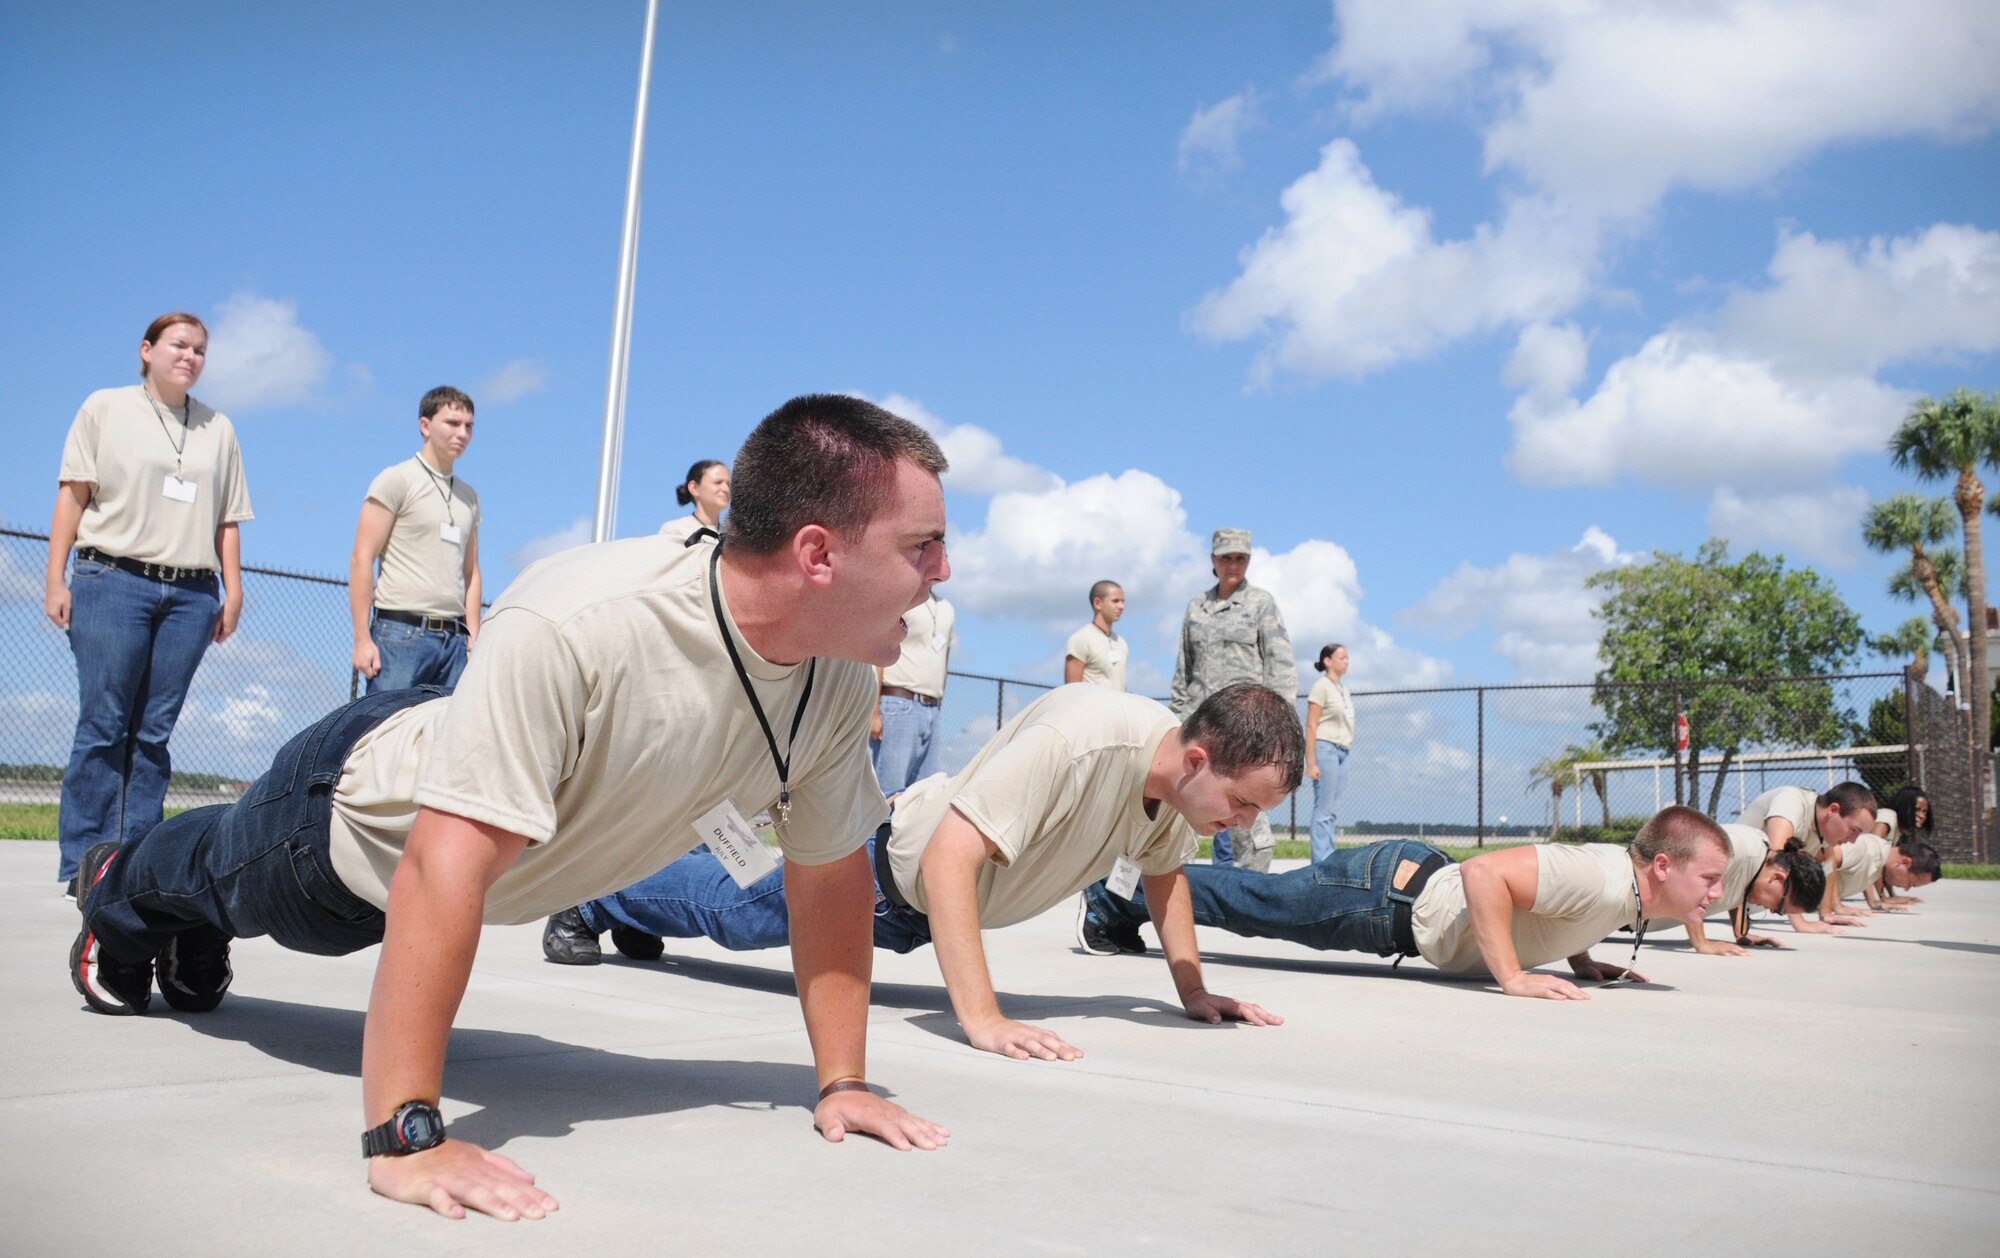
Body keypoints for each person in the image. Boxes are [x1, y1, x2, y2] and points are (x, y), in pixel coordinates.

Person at [70, 395, 953, 1221]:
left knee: (214, 909)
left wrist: (844, 1081)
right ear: (817, 554)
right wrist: (404, 1132)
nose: (943, 574)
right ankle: (116, 882)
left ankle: (184, 928)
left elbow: (830, 873)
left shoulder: (837, 675)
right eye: (923, 546)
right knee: (214, 873)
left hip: (444, 842)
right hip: (349, 819)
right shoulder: (585, 619)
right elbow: (441, 862)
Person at [555, 683, 1298, 1060]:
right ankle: (596, 900)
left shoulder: (1181, 795)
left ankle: (624, 895)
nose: (1241, 823)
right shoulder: (1083, 742)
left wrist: (1194, 991)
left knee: (735, 902)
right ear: (1198, 759)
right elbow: (951, 857)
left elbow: (1165, 878)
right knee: (734, 912)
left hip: (921, 900)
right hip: (886, 877)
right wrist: (980, 1018)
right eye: (1240, 804)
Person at [1080, 805, 1730, 1001]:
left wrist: (1578, 957)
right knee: (1252, 900)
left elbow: (1550, 901)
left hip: (1396, 892)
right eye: (1710, 879)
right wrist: (1512, 977)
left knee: (1254, 900)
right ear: (1664, 866)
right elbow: (1484, 878)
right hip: (1383, 896)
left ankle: (1124, 893)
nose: (1717, 894)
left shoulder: (1620, 893)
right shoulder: (1603, 876)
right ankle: (1112, 896)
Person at [44, 311, 252, 896]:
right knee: (105, 724)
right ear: (147, 350)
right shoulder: (105, 408)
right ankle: (85, 862)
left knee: (154, 734)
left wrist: (232, 590)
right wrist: (55, 579)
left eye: (200, 350)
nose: (190, 356)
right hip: (113, 580)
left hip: (191, 593)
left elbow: (227, 519)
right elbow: (72, 497)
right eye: (179, 345)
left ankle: (136, 861)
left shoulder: (219, 429)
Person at [1171, 528, 1295, 872]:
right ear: (1213, 560)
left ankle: (1253, 880)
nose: (1233, 565)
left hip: (1245, 722)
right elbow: (1184, 666)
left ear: (1248, 560)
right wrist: (1176, 716)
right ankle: (1173, 873)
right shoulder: (1197, 607)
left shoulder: (1261, 604)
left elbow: (1280, 665)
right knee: (1184, 797)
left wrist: (1279, 726)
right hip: (1199, 719)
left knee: (1244, 800)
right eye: (1226, 557)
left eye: (1240, 558)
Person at [348, 387, 482, 693]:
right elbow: (361, 558)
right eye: (452, 423)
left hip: (454, 645)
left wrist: (473, 637)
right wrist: (361, 639)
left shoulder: (469, 498)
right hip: (400, 635)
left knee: (449, 738)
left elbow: (471, 573)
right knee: (381, 734)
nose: (462, 433)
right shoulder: (396, 480)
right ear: (425, 426)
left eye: (469, 426)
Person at [1653, 825, 1826, 955]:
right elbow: (1691, 876)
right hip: (1630, 913)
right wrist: (1701, 943)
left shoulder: (1758, 859)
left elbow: (1739, 883)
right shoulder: (1737, 848)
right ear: (1778, 878)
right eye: (1780, 908)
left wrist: (1741, 933)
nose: (1773, 911)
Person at [1736, 782, 1877, 934]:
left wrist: (1827, 913)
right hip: (1725, 886)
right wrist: (1800, 923)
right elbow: (1778, 860)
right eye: (1854, 830)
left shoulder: (1822, 825)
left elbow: (1829, 862)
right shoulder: (1791, 803)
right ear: (1833, 810)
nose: (1853, 840)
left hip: (1746, 895)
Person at [871, 591, 955, 795]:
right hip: (898, 702)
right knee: (888, 793)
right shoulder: (904, 597)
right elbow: (880, 650)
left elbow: (945, 657)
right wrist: (873, 712)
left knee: (923, 795)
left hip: (932, 709)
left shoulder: (947, 608)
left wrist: (937, 705)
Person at [1303, 643, 1354, 864]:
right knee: (1323, 809)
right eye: (1342, 657)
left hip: (1343, 752)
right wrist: (1311, 762)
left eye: (1347, 657)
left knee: (1333, 810)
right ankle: (1321, 863)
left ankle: (1329, 857)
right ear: (1328, 661)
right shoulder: (1321, 687)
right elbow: (1311, 725)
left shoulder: (1342, 689)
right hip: (1326, 750)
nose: (1346, 661)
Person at [1064, 580, 1127, 690]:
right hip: (1091, 707)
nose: (1121, 606)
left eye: (1122, 601)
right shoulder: (1080, 639)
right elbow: (1071, 691)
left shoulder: (1121, 642)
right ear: (1097, 603)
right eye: (1115, 601)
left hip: (1117, 707)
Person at [659, 458, 730, 545]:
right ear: (694, 488)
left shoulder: (734, 537)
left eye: (729, 484)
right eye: (717, 482)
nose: (726, 489)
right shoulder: (675, 530)